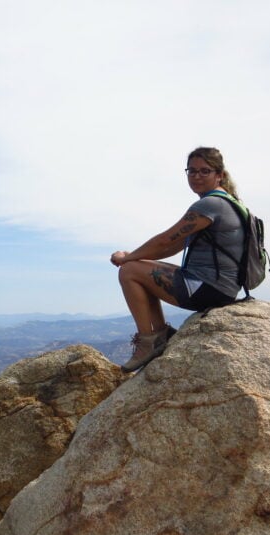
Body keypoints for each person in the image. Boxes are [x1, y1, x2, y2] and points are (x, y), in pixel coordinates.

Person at [110, 146, 245, 371]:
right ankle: (160, 333)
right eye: (191, 171)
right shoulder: (227, 202)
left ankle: (148, 342)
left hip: (209, 287)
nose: (197, 176)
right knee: (140, 270)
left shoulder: (210, 205)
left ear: (219, 174)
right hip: (221, 286)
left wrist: (127, 258)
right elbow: (171, 246)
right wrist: (135, 260)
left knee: (129, 272)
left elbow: (164, 240)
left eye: (204, 171)